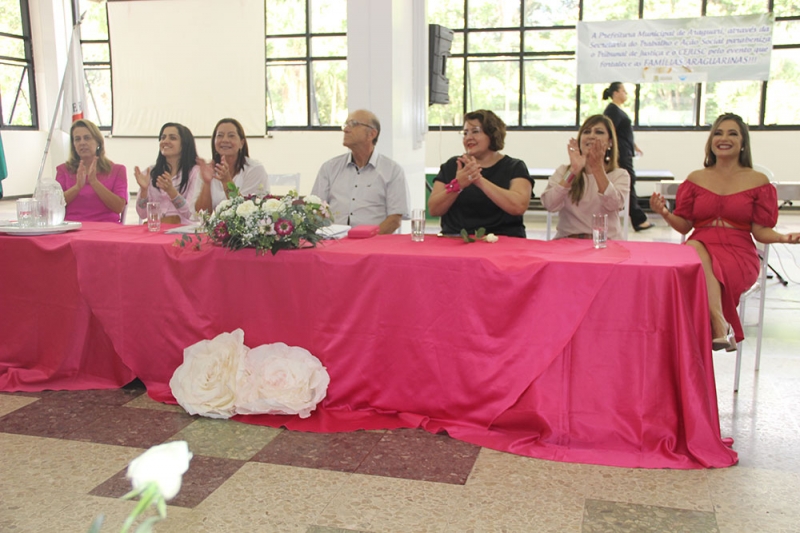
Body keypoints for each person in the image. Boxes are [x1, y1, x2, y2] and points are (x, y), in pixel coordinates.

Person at [650, 113, 800, 351]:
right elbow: (686, 226)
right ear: (711, 141)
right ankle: (719, 325)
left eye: (732, 133)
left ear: (743, 143)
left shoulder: (758, 181)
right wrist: (666, 214)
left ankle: (713, 326)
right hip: (699, 247)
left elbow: (760, 231)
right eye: (718, 133)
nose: (724, 138)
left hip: (738, 253)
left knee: (695, 256)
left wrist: (783, 238)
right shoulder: (696, 178)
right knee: (694, 248)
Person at [428, 109, 532, 237]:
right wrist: (457, 185)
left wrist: (479, 180)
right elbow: (434, 209)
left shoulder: (514, 167)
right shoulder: (453, 165)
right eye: (465, 133)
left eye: (475, 131)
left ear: (492, 134)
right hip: (456, 240)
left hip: (503, 241)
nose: (468, 137)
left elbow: (518, 206)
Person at [311, 109, 408, 234]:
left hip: (373, 243)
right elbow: (315, 209)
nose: (346, 129)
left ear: (372, 134)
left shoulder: (392, 170)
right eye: (346, 125)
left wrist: (366, 239)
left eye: (353, 124)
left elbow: (394, 220)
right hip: (333, 242)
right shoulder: (329, 168)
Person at [541, 114, 629, 240]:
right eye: (587, 132)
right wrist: (573, 170)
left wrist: (597, 168)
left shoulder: (619, 174)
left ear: (610, 142)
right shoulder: (564, 171)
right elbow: (550, 204)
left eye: (599, 132)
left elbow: (614, 204)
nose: (591, 136)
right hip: (568, 241)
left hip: (605, 243)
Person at [603, 82, 652, 232]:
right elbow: (609, 131)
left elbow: (622, 133)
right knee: (628, 182)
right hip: (620, 154)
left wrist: (634, 146)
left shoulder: (617, 110)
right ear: (616, 93)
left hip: (625, 152)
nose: (626, 94)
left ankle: (638, 218)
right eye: (624, 91)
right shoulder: (612, 111)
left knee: (630, 182)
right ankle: (638, 219)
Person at [56, 119, 127, 223]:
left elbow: (118, 207)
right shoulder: (63, 170)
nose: (82, 143)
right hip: (72, 228)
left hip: (106, 229)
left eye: (87, 138)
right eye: (77, 139)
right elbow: (55, 206)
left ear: (98, 142)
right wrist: (77, 188)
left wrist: (94, 182)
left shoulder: (117, 170)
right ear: (73, 145)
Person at [194, 118, 269, 213]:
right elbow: (201, 213)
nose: (225, 140)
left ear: (241, 143)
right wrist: (207, 183)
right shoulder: (208, 169)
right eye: (220, 136)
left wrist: (227, 181)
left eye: (231, 136)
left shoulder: (254, 169)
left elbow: (247, 212)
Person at [134, 123, 201, 225]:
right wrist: (144, 191)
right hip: (155, 230)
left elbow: (192, 214)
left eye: (172, 138)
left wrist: (171, 192)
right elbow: (142, 214)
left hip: (183, 232)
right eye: (163, 137)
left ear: (185, 144)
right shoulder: (151, 172)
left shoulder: (195, 172)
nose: (165, 141)